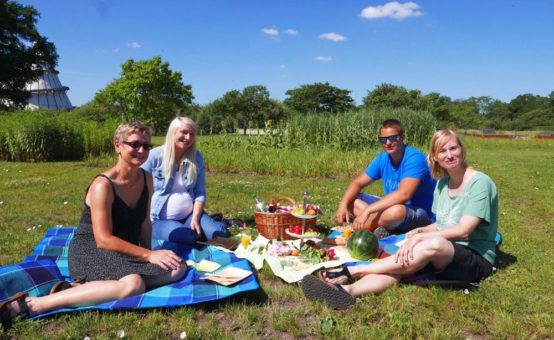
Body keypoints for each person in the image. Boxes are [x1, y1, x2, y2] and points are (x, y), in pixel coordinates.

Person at [0, 121, 187, 323]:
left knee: (177, 267)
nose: (141, 150)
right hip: (91, 249)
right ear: (118, 146)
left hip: (125, 250)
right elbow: (103, 240)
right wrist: (148, 255)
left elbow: (144, 223)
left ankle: (80, 290)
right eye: (134, 144)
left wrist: (150, 255)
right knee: (134, 284)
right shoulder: (103, 185)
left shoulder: (146, 178)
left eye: (146, 146)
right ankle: (34, 305)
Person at [303, 129, 498, 309]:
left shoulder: (480, 182)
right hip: (444, 252)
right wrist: (417, 232)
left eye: (453, 148)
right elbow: (442, 224)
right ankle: (347, 292)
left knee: (433, 244)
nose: (449, 154)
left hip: (474, 259)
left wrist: (422, 238)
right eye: (442, 151)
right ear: (435, 157)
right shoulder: (443, 184)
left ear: (462, 149)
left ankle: (352, 271)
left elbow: (463, 230)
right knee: (400, 265)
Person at [335, 119, 436, 237]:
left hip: (420, 213)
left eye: (392, 138)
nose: (388, 142)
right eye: (383, 140)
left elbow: (404, 194)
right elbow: (357, 183)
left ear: (402, 137)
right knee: (351, 198)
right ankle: (383, 226)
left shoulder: (415, 158)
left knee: (394, 212)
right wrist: (343, 205)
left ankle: (355, 228)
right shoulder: (383, 158)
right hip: (392, 206)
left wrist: (368, 211)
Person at [141, 116, 228, 244]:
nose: (188, 138)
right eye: (184, 132)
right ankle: (188, 232)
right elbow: (136, 186)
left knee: (220, 234)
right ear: (173, 133)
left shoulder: (196, 157)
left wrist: (196, 217)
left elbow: (200, 193)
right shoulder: (154, 156)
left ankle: (206, 225)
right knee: (187, 237)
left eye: (192, 134)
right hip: (159, 220)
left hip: (189, 215)